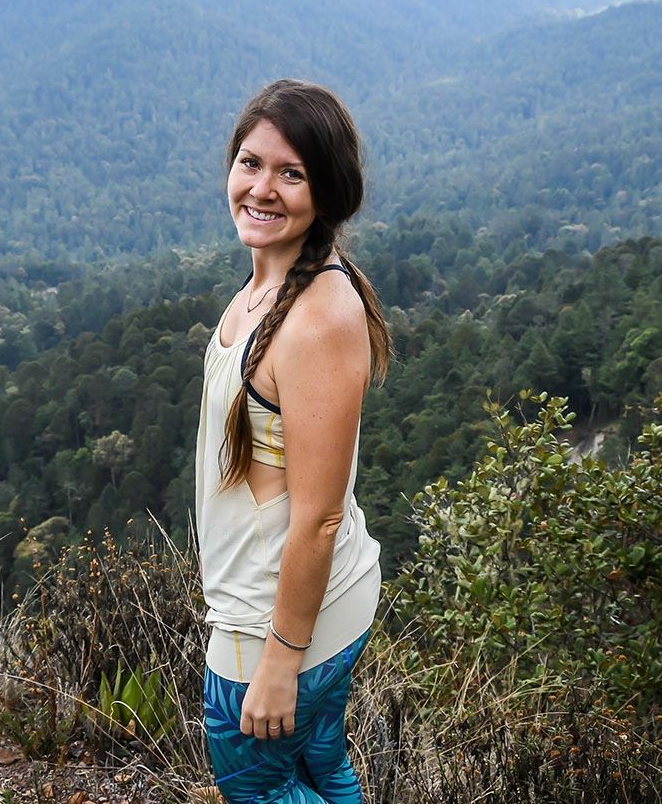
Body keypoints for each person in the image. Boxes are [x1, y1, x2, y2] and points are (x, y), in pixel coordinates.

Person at [195, 79, 391, 803]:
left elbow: (320, 514)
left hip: (273, 621)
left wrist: (281, 658)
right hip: (309, 602)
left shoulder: (316, 318)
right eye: (251, 163)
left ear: (326, 191)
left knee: (257, 790)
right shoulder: (270, 288)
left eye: (291, 172)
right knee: (317, 772)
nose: (262, 188)